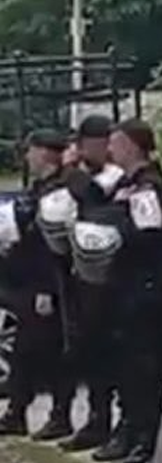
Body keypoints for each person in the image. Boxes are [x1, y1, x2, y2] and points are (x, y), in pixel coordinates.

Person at [91, 119, 162, 463]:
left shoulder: (149, 188)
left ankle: (149, 441)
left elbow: (148, 237)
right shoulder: (124, 187)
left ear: (131, 145)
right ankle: (130, 430)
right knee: (127, 368)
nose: (110, 150)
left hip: (148, 292)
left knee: (147, 370)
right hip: (126, 291)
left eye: (115, 143)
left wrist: (112, 231)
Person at [57, 114, 125, 452]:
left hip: (109, 279)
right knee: (86, 351)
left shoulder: (114, 176)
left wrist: (72, 173)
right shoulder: (84, 176)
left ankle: (115, 423)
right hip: (81, 273)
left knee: (109, 353)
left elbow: (94, 200)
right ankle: (95, 419)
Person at [0, 130, 72, 438]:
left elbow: (52, 246)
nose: (27, 157)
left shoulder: (60, 189)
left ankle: (57, 415)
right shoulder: (40, 188)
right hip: (24, 280)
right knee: (25, 351)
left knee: (47, 352)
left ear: (45, 153)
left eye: (31, 151)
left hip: (47, 283)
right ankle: (16, 412)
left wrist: (46, 289)